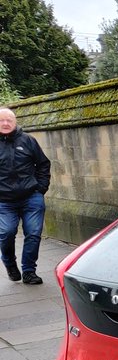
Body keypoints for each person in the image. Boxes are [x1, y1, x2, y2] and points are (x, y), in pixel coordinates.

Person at [0, 107, 50, 285]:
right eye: (1, 120)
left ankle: (29, 271)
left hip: (31, 197)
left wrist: (41, 188)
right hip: (4, 202)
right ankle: (9, 263)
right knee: (6, 233)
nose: (5, 123)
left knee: (34, 234)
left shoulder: (28, 140)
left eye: (9, 120)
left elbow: (43, 164)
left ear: (15, 122)